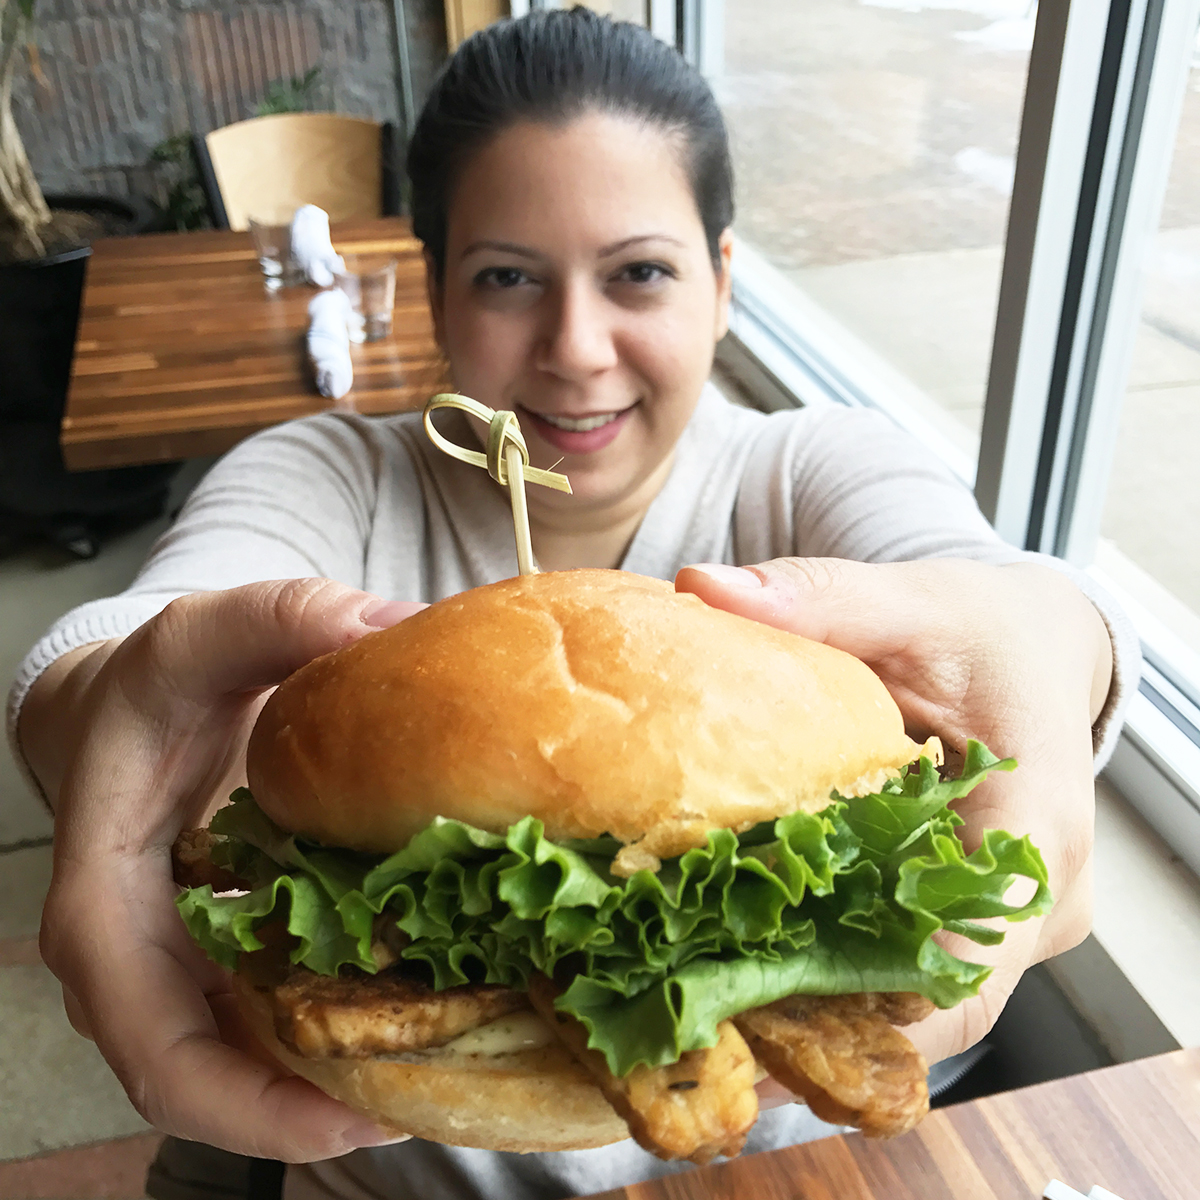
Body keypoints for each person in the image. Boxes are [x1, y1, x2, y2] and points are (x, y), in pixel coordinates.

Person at [8, 10, 1135, 1200]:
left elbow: (1012, 598)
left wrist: (1061, 644)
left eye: (639, 272)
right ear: (434, 291)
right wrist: (105, 710)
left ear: (723, 282)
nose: (577, 347)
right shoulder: (322, 474)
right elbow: (116, 647)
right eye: (506, 278)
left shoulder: (809, 470)